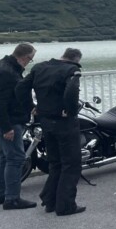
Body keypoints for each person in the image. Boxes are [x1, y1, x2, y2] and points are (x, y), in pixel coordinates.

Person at [16, 48, 86, 216]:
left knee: (55, 163)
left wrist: (31, 107)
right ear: (75, 60)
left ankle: (50, 201)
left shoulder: (39, 67)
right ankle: (65, 206)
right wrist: (70, 110)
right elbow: (71, 91)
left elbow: (20, 87)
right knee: (71, 164)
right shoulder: (72, 70)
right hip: (64, 123)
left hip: (45, 121)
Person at [0, 43, 37, 209]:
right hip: (8, 122)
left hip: (2, 121)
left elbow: (14, 96)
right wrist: (7, 128)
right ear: (24, 57)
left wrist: (31, 108)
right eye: (31, 59)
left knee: (6, 156)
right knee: (16, 158)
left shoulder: (5, 67)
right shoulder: (7, 73)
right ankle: (12, 199)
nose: (30, 62)